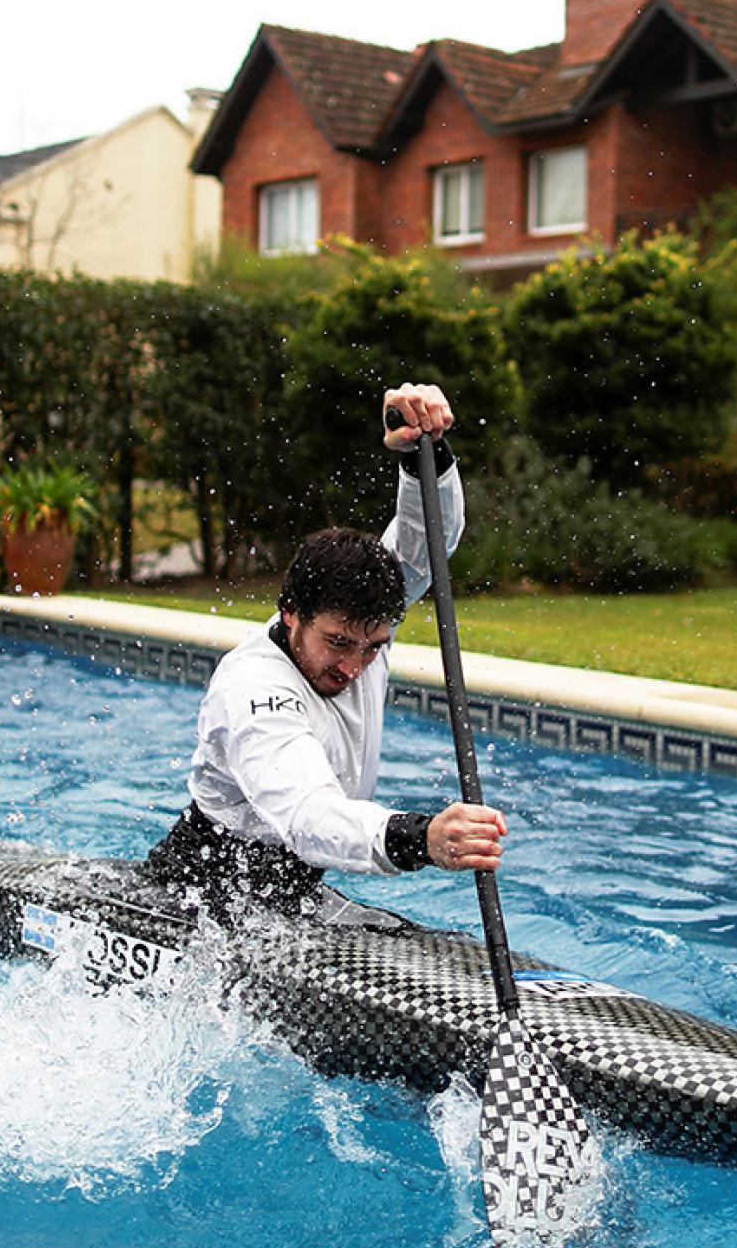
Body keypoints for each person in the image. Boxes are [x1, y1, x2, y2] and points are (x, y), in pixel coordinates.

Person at [145, 381, 508, 916]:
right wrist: (423, 836)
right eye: (338, 643)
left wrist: (421, 452)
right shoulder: (253, 688)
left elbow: (426, 546)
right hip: (204, 885)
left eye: (373, 646)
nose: (355, 665)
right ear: (292, 613)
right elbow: (310, 816)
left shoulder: (362, 621)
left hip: (296, 886)